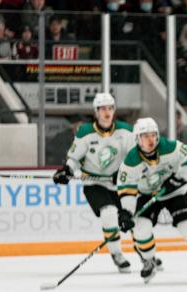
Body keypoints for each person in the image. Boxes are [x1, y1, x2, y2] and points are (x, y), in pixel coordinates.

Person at [117, 117, 187, 283]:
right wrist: (126, 212)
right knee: (140, 230)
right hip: (148, 194)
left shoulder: (171, 147)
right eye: (145, 136)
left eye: (153, 135)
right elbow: (126, 188)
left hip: (175, 193)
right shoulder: (131, 160)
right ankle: (149, 261)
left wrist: (177, 179)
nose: (150, 140)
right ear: (137, 139)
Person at [52, 93, 135, 272]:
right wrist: (66, 171)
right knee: (109, 213)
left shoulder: (126, 131)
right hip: (94, 184)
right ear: (96, 112)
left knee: (133, 218)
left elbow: (135, 158)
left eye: (110, 108)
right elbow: (74, 159)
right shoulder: (85, 132)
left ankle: (146, 253)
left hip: (120, 184)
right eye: (103, 109)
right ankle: (117, 254)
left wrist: (123, 172)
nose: (107, 112)